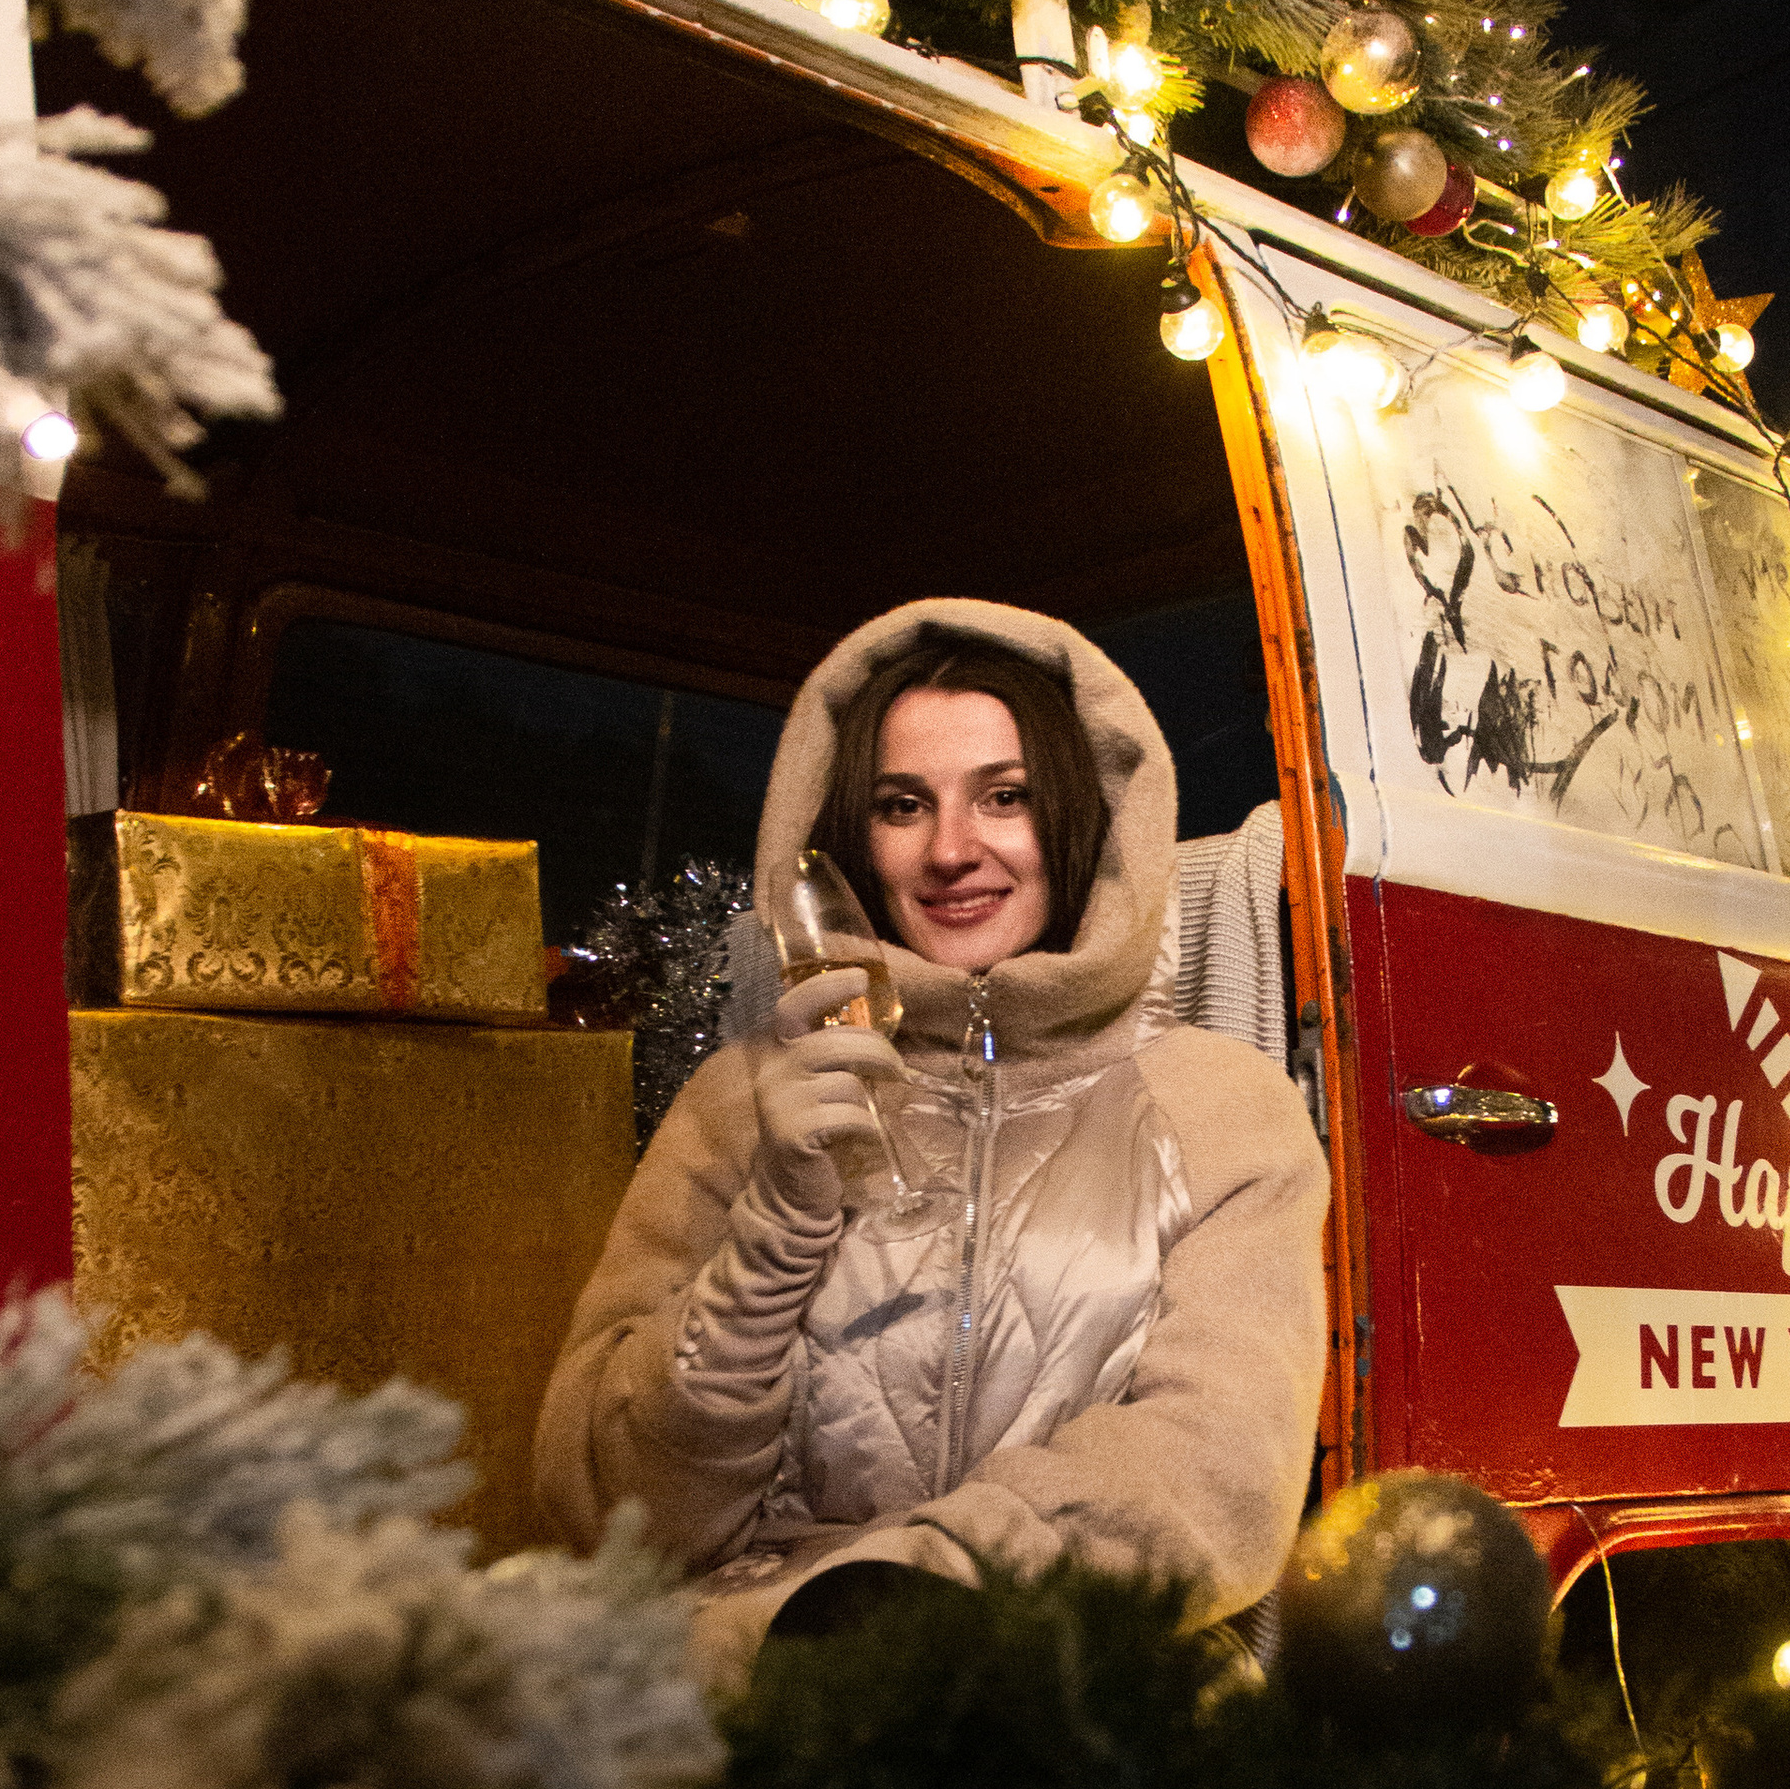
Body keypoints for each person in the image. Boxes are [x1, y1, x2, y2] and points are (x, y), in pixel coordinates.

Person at [534, 596, 1330, 1684]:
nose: (952, 850)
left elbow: (1216, 1476)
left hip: (1075, 1684)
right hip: (747, 1687)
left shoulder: (1222, 1111)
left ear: (1081, 818)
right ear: (848, 837)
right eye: (902, 805)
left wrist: (911, 1599)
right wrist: (775, 1224)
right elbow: (610, 1511)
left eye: (1004, 798)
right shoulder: (743, 1100)